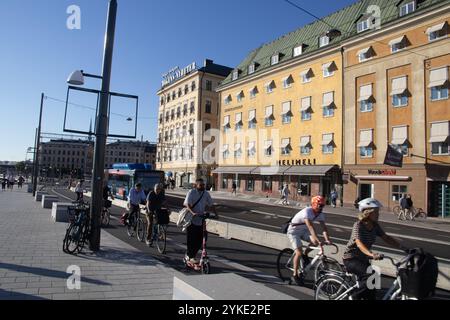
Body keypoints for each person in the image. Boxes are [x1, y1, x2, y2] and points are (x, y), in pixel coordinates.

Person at [343, 198, 406, 300]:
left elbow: (386, 238)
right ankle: (354, 296)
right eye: (376, 212)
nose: (378, 214)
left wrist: (404, 248)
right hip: (351, 258)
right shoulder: (358, 225)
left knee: (372, 288)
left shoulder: (375, 226)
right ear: (368, 213)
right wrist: (371, 254)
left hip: (363, 259)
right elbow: (358, 243)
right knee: (372, 275)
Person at [286, 196, 332, 285]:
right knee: (299, 252)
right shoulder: (307, 211)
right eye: (319, 205)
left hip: (304, 231)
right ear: (314, 204)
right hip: (294, 231)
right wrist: (318, 240)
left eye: (322, 205)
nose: (321, 207)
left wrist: (327, 239)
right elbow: (310, 227)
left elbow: (324, 228)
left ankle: (305, 254)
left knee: (314, 243)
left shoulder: (320, 214)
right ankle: (295, 274)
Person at [183, 178, 217, 264]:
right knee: (191, 239)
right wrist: (193, 212)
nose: (203, 186)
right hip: (192, 219)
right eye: (201, 185)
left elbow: (211, 204)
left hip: (201, 219)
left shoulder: (206, 194)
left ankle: (190, 254)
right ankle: (191, 256)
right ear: (196, 185)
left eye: (203, 185)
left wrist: (216, 214)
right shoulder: (191, 192)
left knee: (202, 239)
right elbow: (187, 204)